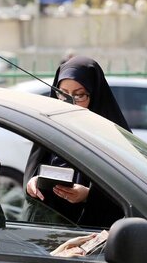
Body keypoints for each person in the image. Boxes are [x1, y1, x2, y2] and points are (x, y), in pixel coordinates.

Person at [24, 56, 129, 228]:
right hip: (46, 231)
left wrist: (88, 196)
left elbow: (127, 191)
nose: (70, 103)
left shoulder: (111, 135)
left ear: (94, 95)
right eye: (63, 94)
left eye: (79, 96)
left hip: (90, 234)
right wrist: (32, 183)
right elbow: (32, 173)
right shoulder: (50, 128)